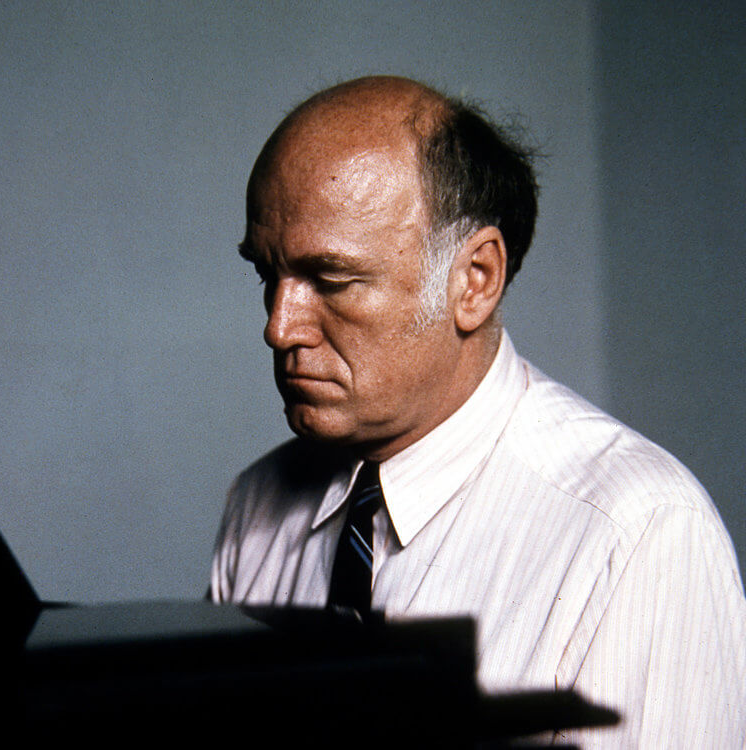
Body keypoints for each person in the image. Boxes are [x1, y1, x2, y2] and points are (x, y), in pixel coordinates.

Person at [209, 76, 746, 747]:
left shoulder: (639, 533)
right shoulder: (256, 505)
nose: (279, 327)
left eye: (332, 280)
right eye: (268, 275)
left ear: (476, 281)